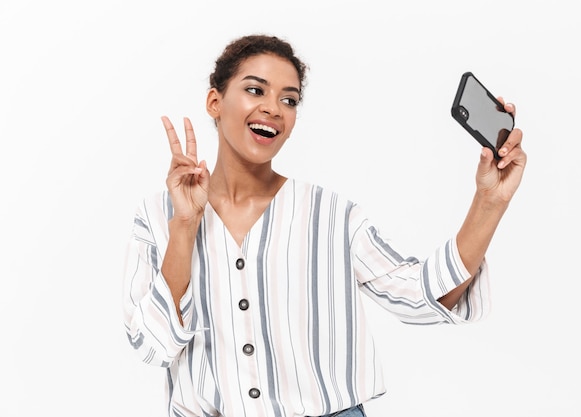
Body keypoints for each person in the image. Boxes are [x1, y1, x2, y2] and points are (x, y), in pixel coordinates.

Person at [122, 34, 526, 417]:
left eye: (289, 99)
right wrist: (185, 226)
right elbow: (153, 347)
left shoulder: (332, 216)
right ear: (215, 101)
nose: (273, 108)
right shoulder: (159, 216)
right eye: (255, 90)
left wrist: (489, 202)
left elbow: (423, 297)